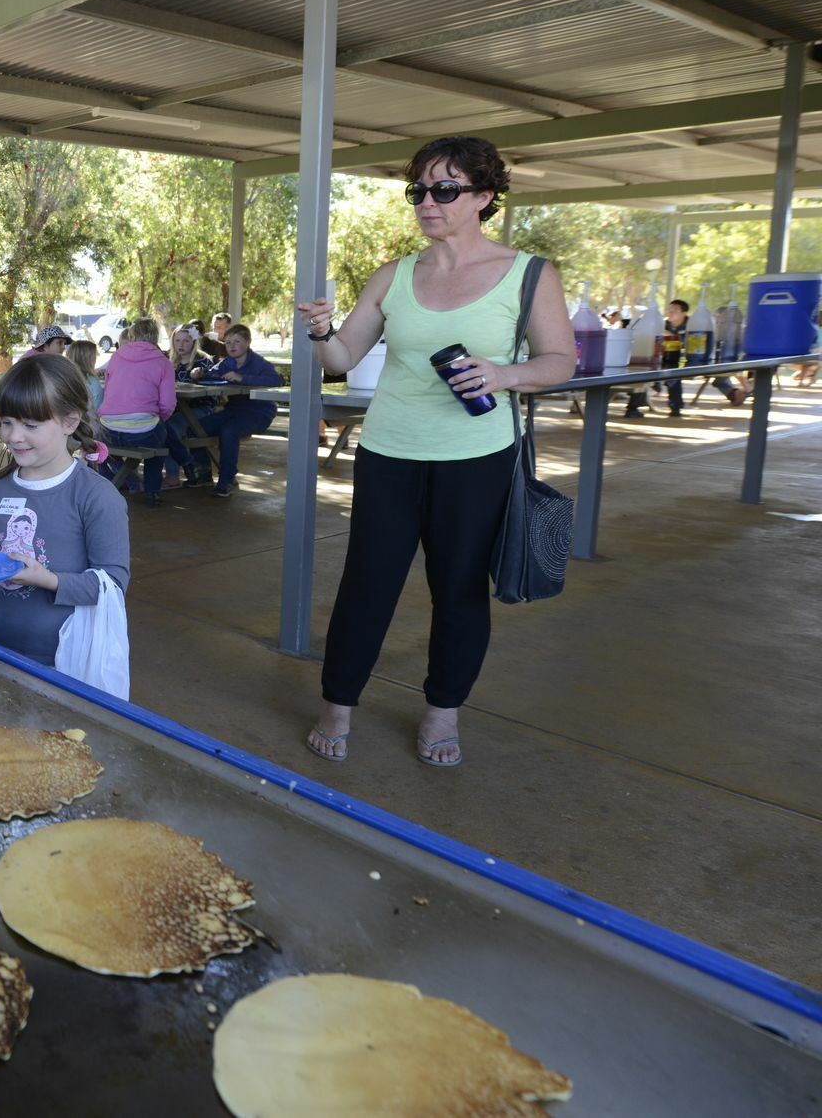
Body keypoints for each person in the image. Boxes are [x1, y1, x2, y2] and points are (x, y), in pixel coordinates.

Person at [294, 134, 575, 768]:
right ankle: (338, 704)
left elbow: (561, 361)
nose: (427, 201)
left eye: (444, 189)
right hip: (390, 450)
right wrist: (320, 331)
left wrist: (502, 375)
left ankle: (442, 713)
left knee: (458, 590)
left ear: (483, 196)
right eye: (418, 189)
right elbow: (339, 360)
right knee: (368, 584)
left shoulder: (529, 273)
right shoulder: (394, 276)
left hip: (478, 458)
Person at [0, 354, 130, 669]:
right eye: (6, 422)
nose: (13, 436)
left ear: (69, 422)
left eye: (30, 425)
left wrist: (46, 579)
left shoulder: (96, 496)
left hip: (66, 658)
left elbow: (111, 586)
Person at [186, 323, 281, 497]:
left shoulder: (259, 363)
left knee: (228, 432)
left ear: (248, 342)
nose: (232, 346)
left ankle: (227, 480)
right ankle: (204, 474)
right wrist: (199, 373)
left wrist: (242, 378)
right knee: (194, 428)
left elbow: (276, 380)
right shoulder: (227, 362)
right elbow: (212, 374)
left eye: (237, 342)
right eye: (228, 342)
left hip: (259, 412)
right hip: (233, 410)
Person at [93, 319, 175, 505]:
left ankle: (111, 482)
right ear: (155, 336)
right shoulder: (163, 362)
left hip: (108, 429)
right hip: (142, 432)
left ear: (131, 335)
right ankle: (152, 491)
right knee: (162, 438)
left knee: (100, 446)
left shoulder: (116, 357)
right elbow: (168, 404)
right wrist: (157, 417)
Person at [625, 299, 688, 419]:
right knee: (641, 375)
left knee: (674, 377)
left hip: (679, 360)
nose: (670, 312)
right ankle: (633, 407)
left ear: (683, 313)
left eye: (675, 310)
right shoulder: (661, 323)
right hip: (658, 357)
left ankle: (675, 406)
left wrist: (673, 336)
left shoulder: (691, 325)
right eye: (669, 309)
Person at [66, 339, 104, 410]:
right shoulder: (92, 382)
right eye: (94, 355)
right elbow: (99, 408)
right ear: (87, 359)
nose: (96, 358)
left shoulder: (65, 377)